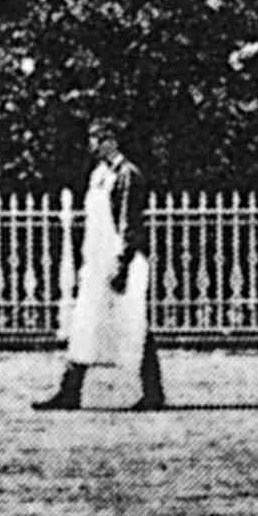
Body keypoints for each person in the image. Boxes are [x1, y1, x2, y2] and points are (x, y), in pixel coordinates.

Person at [34, 118, 166, 412]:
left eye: (97, 139)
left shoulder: (127, 175)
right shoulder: (98, 175)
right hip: (97, 262)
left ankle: (153, 392)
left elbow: (129, 223)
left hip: (121, 262)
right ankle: (70, 391)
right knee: (85, 324)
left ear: (111, 140)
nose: (92, 145)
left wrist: (121, 264)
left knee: (134, 325)